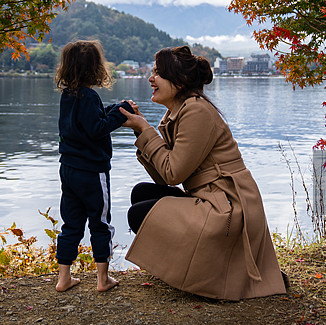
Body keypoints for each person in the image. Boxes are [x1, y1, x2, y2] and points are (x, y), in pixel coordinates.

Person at [119, 45, 288, 300]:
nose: (151, 78)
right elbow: (164, 177)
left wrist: (146, 130)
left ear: (179, 80)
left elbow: (173, 173)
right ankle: (199, 267)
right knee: (142, 193)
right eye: (153, 72)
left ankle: (213, 273)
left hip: (228, 208)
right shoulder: (177, 113)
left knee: (139, 213)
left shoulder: (197, 111)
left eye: (158, 73)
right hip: (211, 198)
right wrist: (140, 130)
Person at [53, 40, 133, 293]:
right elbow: (97, 128)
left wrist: (117, 109)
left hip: (68, 169)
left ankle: (63, 278)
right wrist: (122, 115)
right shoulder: (89, 96)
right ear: (95, 68)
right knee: (100, 223)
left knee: (71, 224)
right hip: (92, 172)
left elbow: (91, 120)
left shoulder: (70, 96)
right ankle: (102, 279)